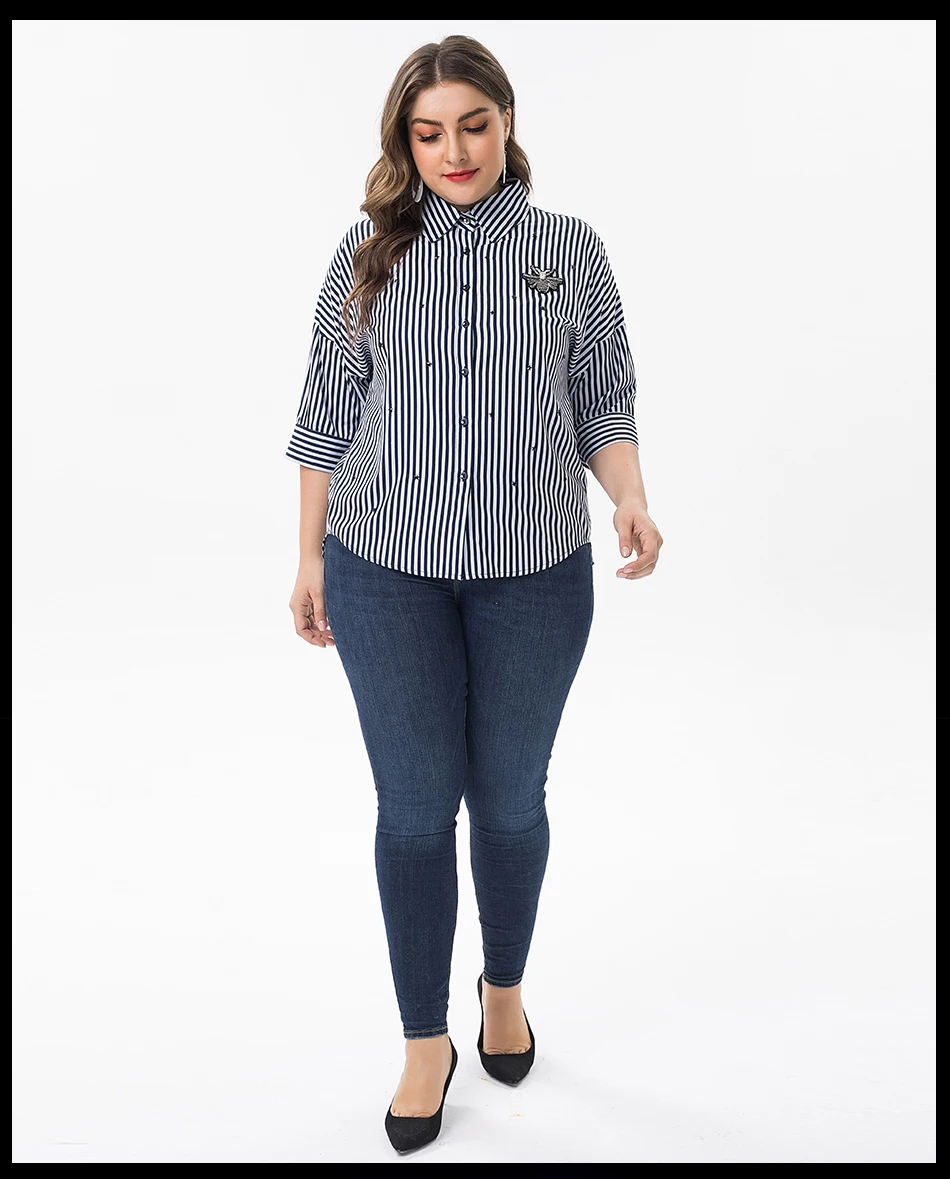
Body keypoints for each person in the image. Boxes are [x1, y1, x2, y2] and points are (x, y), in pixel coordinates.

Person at [286, 34, 662, 1154]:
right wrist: (308, 558)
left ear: (506, 121)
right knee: (413, 809)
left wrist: (630, 498)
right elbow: (325, 411)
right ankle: (422, 1041)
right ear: (404, 143)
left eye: (473, 125)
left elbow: (603, 398)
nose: (453, 150)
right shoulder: (365, 252)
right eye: (428, 132)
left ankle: (504, 986)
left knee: (507, 800)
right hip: (381, 570)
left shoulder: (568, 250)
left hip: (534, 576)